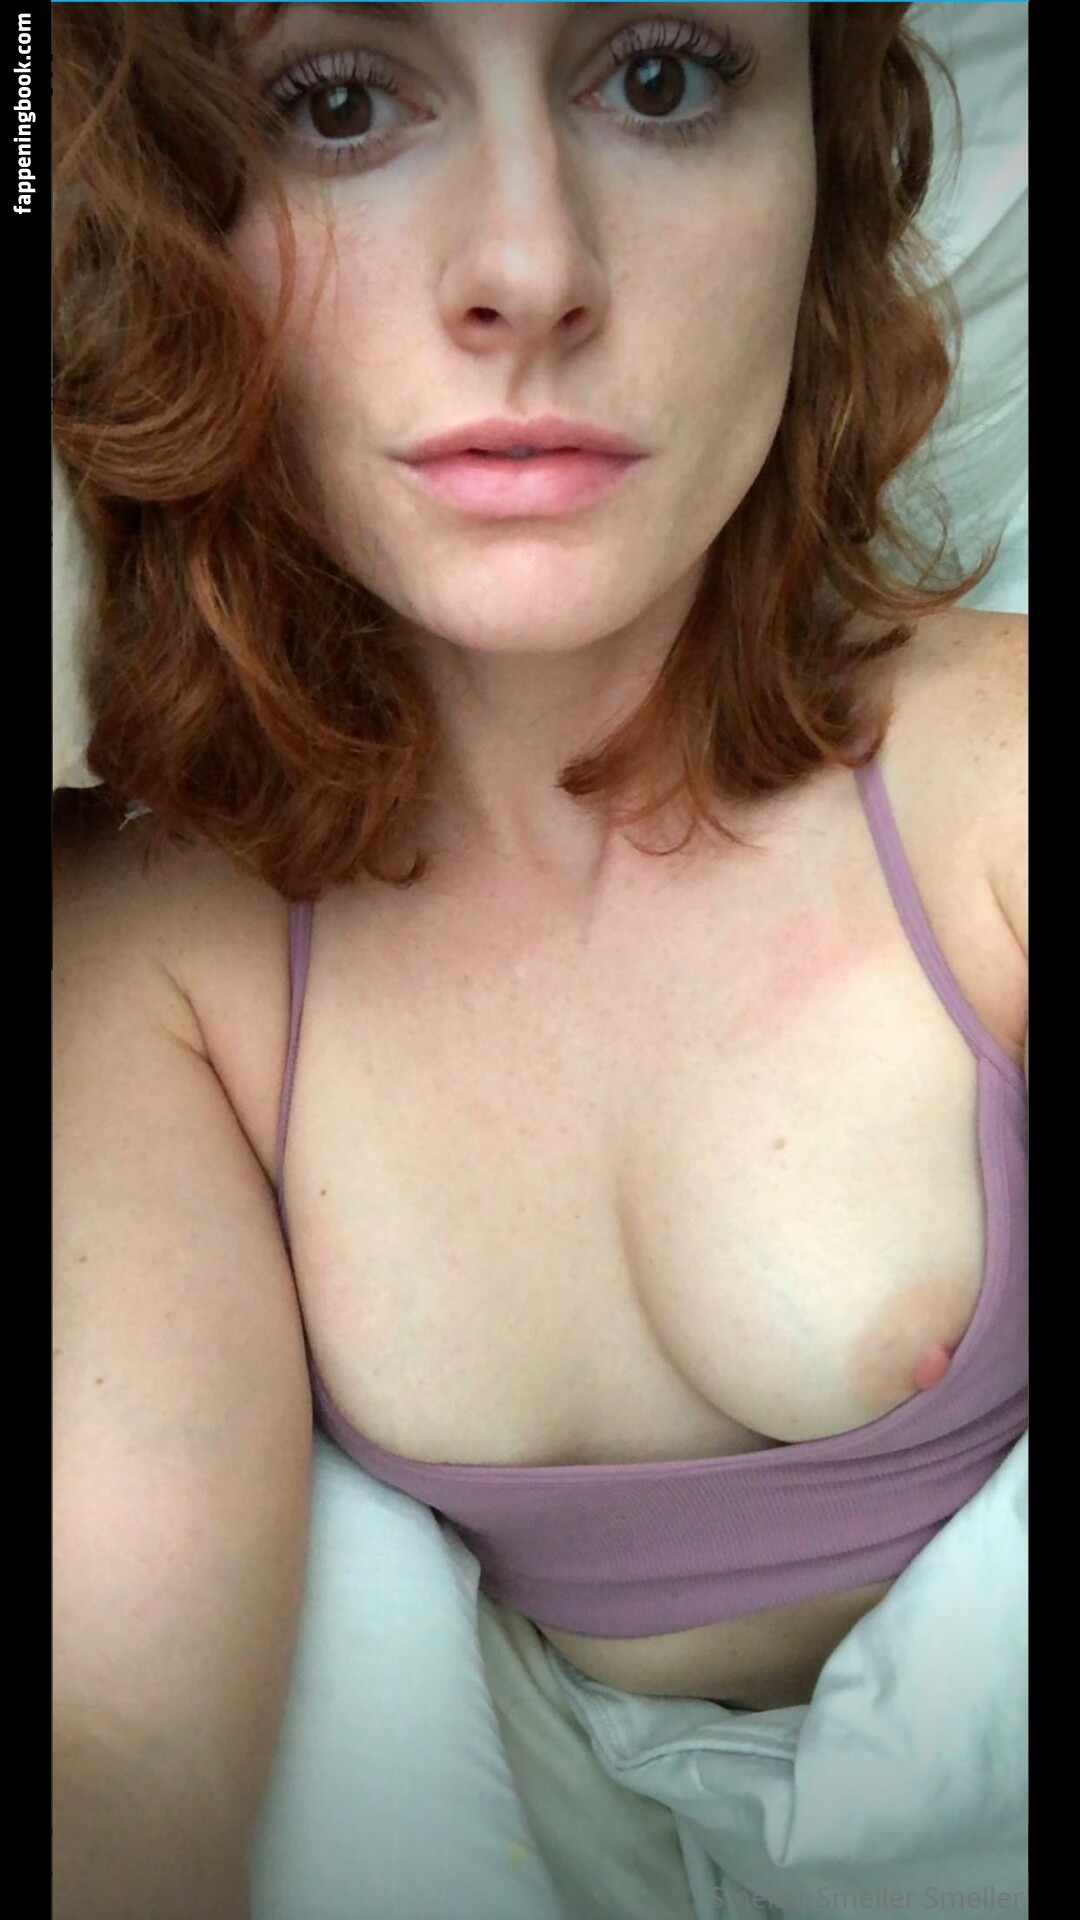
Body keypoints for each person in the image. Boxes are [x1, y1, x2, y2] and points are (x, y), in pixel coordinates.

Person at [52, 5, 1028, 1917]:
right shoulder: (157, 946)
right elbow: (118, 1748)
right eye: (340, 100)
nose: (531, 267)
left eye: (660, 76)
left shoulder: (996, 783)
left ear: (825, 163)